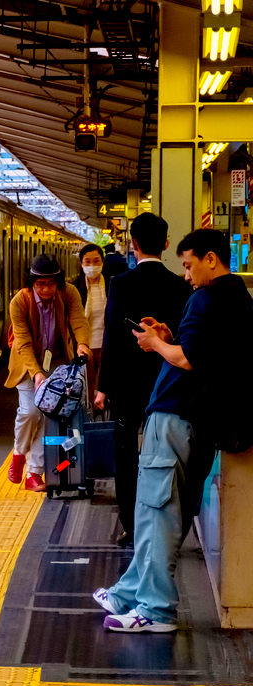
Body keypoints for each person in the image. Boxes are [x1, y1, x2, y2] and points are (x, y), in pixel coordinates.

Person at [96, 229, 253, 632]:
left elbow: (188, 359)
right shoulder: (239, 297)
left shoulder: (205, 298)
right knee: (167, 512)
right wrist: (169, 337)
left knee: (155, 512)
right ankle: (129, 591)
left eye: (189, 265)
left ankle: (155, 609)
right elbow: (206, 352)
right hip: (202, 421)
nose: (186, 275)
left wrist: (155, 344)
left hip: (174, 417)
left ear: (211, 259)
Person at [93, 214, 191, 547]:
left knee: (126, 455)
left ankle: (132, 527)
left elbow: (112, 337)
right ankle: (163, 524)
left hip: (127, 384)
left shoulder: (120, 283)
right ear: (166, 243)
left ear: (133, 244)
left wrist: (103, 386)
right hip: (168, 383)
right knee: (166, 456)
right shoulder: (180, 285)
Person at [6, 254, 91, 492]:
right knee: (30, 412)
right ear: (31, 283)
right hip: (27, 364)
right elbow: (23, 342)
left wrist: (83, 344)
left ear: (59, 282)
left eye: (51, 283)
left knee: (50, 415)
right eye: (40, 284)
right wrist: (36, 373)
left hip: (58, 363)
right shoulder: (19, 301)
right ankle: (19, 453)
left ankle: (34, 473)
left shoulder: (69, 293)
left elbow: (79, 320)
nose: (46, 289)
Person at [72, 243, 109, 405]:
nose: (92, 266)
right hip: (85, 346)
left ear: (102, 262)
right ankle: (88, 416)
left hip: (107, 344)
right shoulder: (75, 287)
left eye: (96, 261)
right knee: (86, 388)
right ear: (81, 264)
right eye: (87, 261)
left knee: (105, 388)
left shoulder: (112, 285)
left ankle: (103, 416)